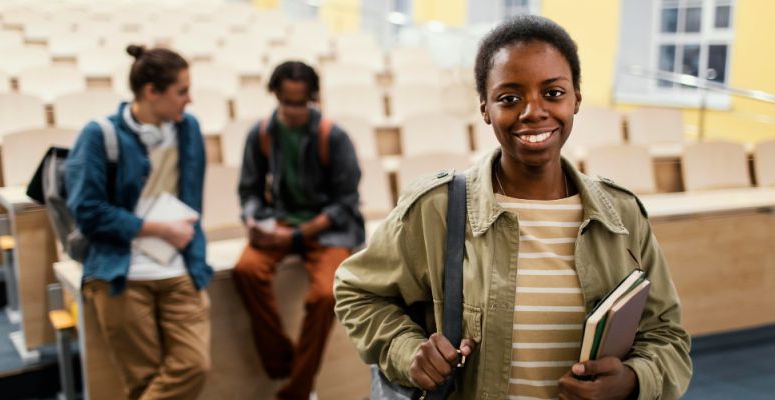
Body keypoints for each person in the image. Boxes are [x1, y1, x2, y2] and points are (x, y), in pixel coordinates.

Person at [334, 15, 692, 400]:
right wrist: (407, 351)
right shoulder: (436, 209)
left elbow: (666, 335)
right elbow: (357, 291)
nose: (532, 111)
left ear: (576, 101)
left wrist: (634, 380)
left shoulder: (621, 215)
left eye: (553, 93)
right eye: (509, 98)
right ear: (485, 108)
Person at [66, 45, 212, 400]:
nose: (189, 100)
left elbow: (192, 199)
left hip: (180, 266)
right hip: (121, 273)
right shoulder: (99, 134)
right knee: (142, 382)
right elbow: (87, 210)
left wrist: (179, 234)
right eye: (181, 91)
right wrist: (157, 229)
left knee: (195, 366)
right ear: (151, 92)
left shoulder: (188, 129)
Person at [233, 60, 364, 400]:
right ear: (275, 96)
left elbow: (346, 202)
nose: (292, 110)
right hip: (278, 220)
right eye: (286, 102)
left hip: (326, 230)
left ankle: (298, 388)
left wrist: (296, 235)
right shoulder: (261, 132)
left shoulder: (333, 136)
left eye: (300, 102)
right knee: (245, 270)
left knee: (325, 294)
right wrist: (251, 219)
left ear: (312, 98)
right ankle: (282, 360)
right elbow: (248, 190)